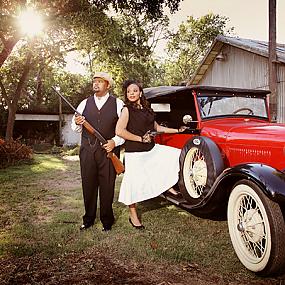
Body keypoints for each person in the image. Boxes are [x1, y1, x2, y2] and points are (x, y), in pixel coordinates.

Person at [115, 79, 186, 229]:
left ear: (140, 92)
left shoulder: (148, 110)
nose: (131, 93)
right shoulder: (127, 110)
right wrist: (140, 138)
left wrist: (177, 130)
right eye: (128, 92)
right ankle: (133, 214)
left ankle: (167, 184)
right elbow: (119, 131)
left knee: (176, 154)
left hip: (151, 149)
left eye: (134, 90)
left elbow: (158, 127)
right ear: (126, 95)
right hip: (134, 152)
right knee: (132, 184)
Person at [71, 72, 124, 232]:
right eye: (95, 81)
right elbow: (75, 127)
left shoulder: (118, 104)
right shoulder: (84, 103)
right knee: (88, 185)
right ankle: (88, 220)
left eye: (100, 82)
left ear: (108, 85)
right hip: (87, 151)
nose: (96, 84)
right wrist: (76, 122)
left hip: (108, 151)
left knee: (108, 187)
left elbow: (123, 129)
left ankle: (107, 221)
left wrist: (115, 142)